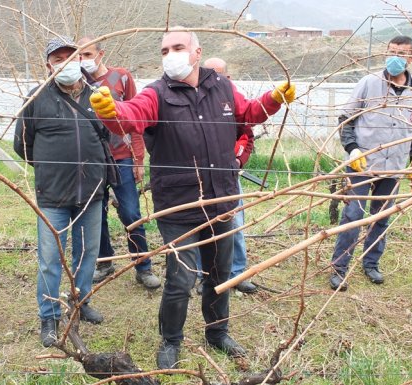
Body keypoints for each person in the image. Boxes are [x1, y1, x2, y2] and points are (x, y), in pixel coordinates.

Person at [90, 29, 295, 369]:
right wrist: (110, 111)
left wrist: (274, 98)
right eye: (165, 50)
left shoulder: (223, 88)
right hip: (178, 204)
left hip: (222, 199)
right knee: (181, 277)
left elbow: (249, 115)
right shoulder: (156, 93)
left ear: (197, 52)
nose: (171, 54)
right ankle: (171, 339)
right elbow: (131, 116)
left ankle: (217, 332)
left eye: (178, 47)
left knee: (220, 272)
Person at [14, 36, 107, 348]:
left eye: (71, 57)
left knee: (87, 255)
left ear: (80, 60)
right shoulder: (36, 98)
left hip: (92, 193)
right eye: (58, 59)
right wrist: (49, 170)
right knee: (51, 259)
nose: (66, 64)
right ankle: (50, 315)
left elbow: (107, 136)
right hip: (52, 196)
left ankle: (80, 304)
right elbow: (22, 146)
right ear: (48, 66)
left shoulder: (96, 95)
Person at [329, 35, 412, 291]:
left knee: (381, 217)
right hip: (362, 163)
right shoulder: (368, 83)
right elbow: (345, 118)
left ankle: (371, 263)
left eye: (402, 54)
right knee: (353, 214)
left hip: (394, 166)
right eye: (391, 51)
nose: (395, 58)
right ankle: (339, 266)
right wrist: (352, 149)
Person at [76, 36, 161, 289]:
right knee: (96, 213)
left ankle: (143, 266)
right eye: (79, 56)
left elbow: (137, 119)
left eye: (88, 54)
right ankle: (104, 262)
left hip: (122, 157)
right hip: (93, 160)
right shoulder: (78, 84)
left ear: (101, 54)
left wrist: (138, 158)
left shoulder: (121, 77)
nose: (83, 60)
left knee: (131, 212)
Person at [198, 57, 258, 294]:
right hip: (199, 177)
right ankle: (202, 276)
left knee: (234, 224)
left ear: (228, 77)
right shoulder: (194, 101)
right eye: (209, 73)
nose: (214, 78)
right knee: (200, 226)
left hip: (228, 176)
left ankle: (236, 273)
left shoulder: (234, 102)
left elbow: (246, 136)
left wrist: (236, 161)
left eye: (219, 74)